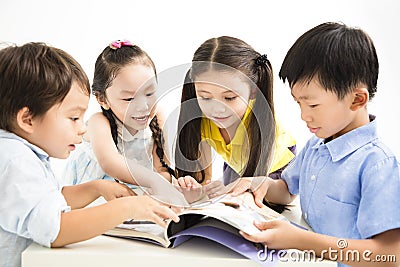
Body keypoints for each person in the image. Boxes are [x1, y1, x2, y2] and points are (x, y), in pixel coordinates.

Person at [0, 42, 179, 267]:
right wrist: (128, 208)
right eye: (74, 118)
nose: (82, 128)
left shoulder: (21, 154)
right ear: (27, 120)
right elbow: (55, 229)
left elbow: (49, 202)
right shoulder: (16, 160)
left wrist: (96, 188)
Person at [240, 22, 400, 266]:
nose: (304, 115)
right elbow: (287, 190)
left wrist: (301, 240)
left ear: (357, 99)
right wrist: (260, 183)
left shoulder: (378, 165)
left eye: (312, 105)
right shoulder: (316, 145)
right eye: (298, 104)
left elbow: (389, 254)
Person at [174, 36, 296, 210]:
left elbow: (287, 195)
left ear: (253, 91)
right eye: (206, 97)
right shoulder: (200, 119)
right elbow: (203, 179)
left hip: (274, 167)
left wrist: (249, 185)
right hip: (237, 163)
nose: (217, 109)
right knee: (226, 194)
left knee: (248, 199)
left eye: (229, 98)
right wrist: (195, 188)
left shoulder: (263, 125)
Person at [62, 40, 175, 187]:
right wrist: (155, 181)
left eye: (149, 93)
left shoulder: (158, 116)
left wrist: (176, 181)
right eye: (129, 98)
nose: (143, 106)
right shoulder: (99, 122)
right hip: (95, 195)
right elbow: (111, 163)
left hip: (139, 191)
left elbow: (162, 169)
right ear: (102, 99)